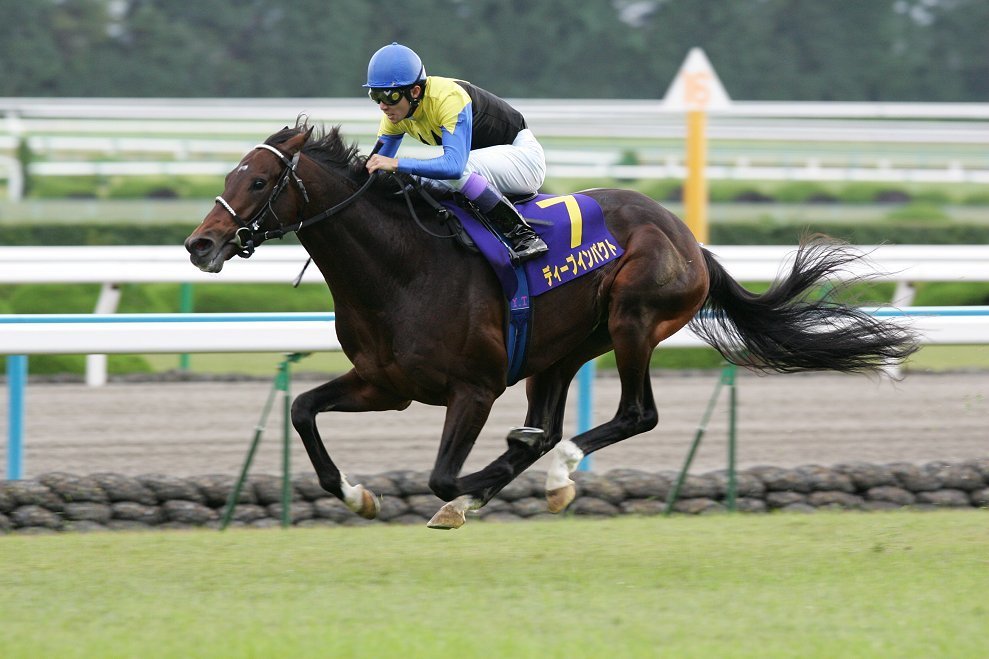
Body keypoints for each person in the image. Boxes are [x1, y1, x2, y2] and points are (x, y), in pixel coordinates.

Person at [363, 42, 548, 262]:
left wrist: (396, 164)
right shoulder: (396, 114)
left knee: (456, 172)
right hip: (487, 165)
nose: (383, 106)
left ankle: (524, 236)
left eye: (389, 96)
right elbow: (374, 170)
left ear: (415, 91)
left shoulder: (447, 98)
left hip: (524, 159)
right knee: (416, 182)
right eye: (376, 96)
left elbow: (454, 166)